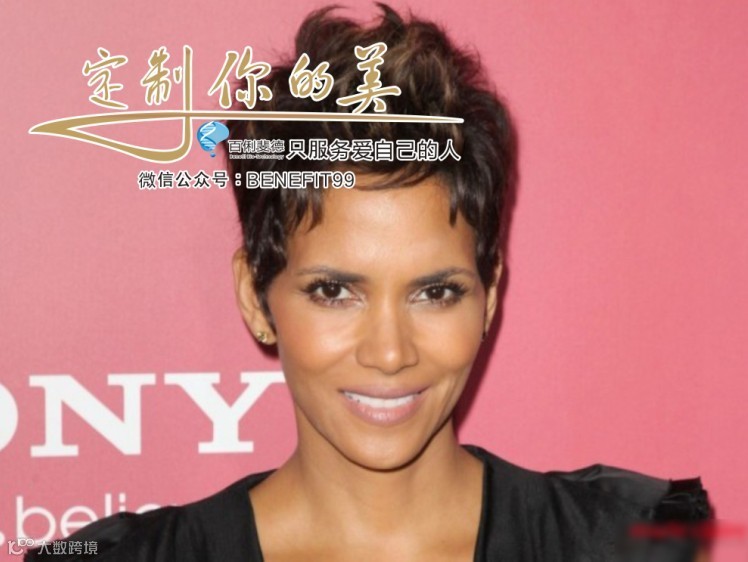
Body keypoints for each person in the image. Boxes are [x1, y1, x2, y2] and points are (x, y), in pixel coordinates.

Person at [26, 5, 711, 562]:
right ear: (255, 297)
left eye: (435, 292)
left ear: (490, 295)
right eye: (334, 292)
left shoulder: (629, 543)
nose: (389, 353)